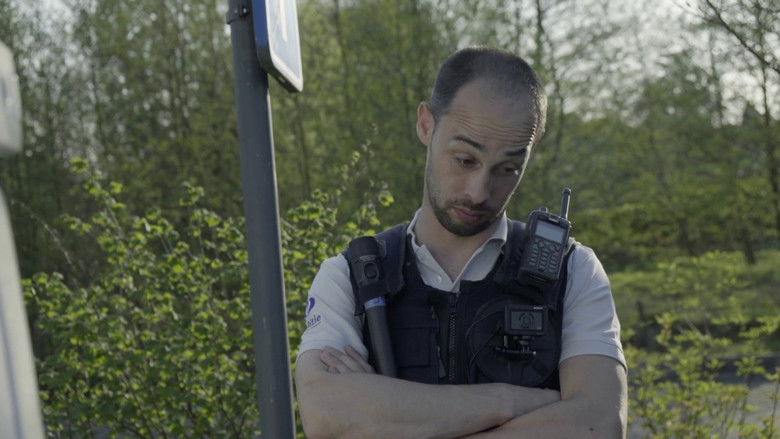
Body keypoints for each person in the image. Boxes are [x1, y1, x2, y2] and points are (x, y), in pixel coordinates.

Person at [295, 46, 627, 439]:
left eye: (508, 168)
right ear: (426, 125)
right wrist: (509, 401)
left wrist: (387, 413)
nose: (479, 191)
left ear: (532, 147)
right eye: (465, 159)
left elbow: (598, 425)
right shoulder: (348, 277)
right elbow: (328, 415)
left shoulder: (574, 271)